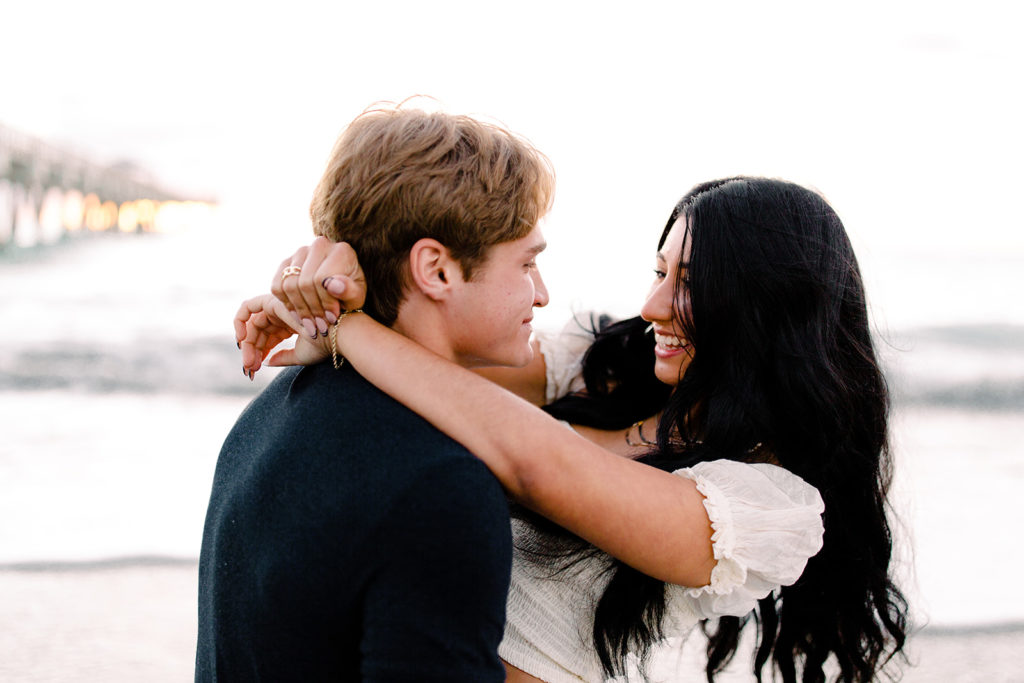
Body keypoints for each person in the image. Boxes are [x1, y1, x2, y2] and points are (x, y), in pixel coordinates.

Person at [238, 177, 909, 682]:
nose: (651, 306)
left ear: (768, 309)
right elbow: (441, 351)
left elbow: (536, 461)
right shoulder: (607, 370)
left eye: (690, 284)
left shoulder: (767, 508)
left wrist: (348, 330)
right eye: (659, 271)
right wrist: (330, 286)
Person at [196, 103, 555, 681]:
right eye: (527, 264)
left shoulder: (273, 410)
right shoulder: (439, 485)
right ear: (436, 270)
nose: (542, 294)